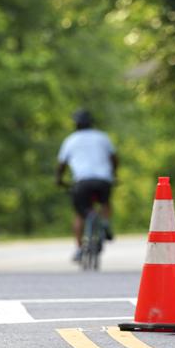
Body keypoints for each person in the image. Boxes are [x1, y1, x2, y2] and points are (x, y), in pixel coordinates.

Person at [56, 109, 118, 262]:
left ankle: (79, 249)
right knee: (105, 202)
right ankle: (105, 225)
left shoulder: (71, 140)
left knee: (79, 213)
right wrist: (114, 174)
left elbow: (62, 164)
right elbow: (114, 158)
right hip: (103, 180)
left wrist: (59, 180)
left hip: (82, 182)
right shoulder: (102, 137)